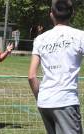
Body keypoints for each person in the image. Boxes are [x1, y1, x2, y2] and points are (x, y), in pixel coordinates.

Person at [28, 0, 83, 134]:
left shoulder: (40, 39)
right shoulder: (80, 36)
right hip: (65, 102)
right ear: (73, 13)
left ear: (51, 14)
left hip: (44, 102)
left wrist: (40, 97)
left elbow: (31, 76)